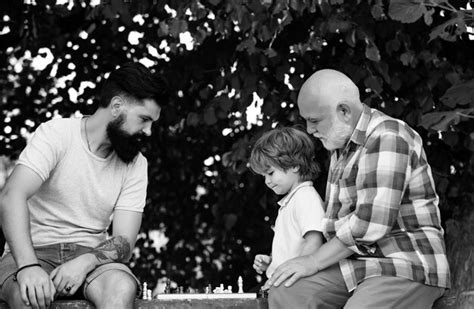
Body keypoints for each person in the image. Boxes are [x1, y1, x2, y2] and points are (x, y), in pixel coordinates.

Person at [266, 69, 450, 308]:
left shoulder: (388, 136)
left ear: (344, 111)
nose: (310, 130)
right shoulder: (340, 146)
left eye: (314, 121)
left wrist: (312, 261)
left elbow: (370, 224)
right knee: (287, 290)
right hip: (355, 263)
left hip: (404, 263)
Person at [0, 62, 167, 309]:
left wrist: (87, 261)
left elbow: (123, 240)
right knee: (28, 296)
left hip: (91, 258)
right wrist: (28, 266)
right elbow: (11, 195)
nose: (149, 131)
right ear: (117, 106)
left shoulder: (136, 163)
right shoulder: (57, 133)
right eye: (144, 119)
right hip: (32, 251)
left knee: (121, 287)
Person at [249, 127, 325, 288]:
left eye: (270, 173)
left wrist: (290, 274)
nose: (267, 181)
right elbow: (293, 247)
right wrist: (272, 262)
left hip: (294, 286)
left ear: (294, 165)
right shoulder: (292, 201)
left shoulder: (306, 197)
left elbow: (314, 243)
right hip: (286, 285)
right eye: (263, 176)